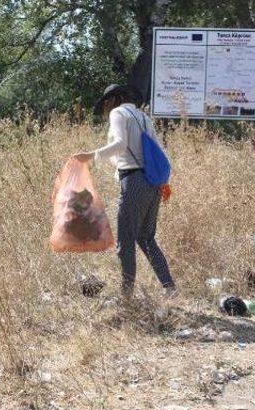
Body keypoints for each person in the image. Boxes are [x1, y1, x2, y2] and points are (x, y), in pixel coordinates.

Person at [73, 84, 177, 300]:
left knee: (126, 240)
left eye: (107, 102)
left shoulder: (118, 112)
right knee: (146, 237)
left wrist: (90, 155)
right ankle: (169, 287)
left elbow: (120, 145)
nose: (106, 108)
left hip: (134, 181)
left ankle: (126, 295)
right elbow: (158, 152)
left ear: (115, 99)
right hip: (154, 183)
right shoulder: (144, 117)